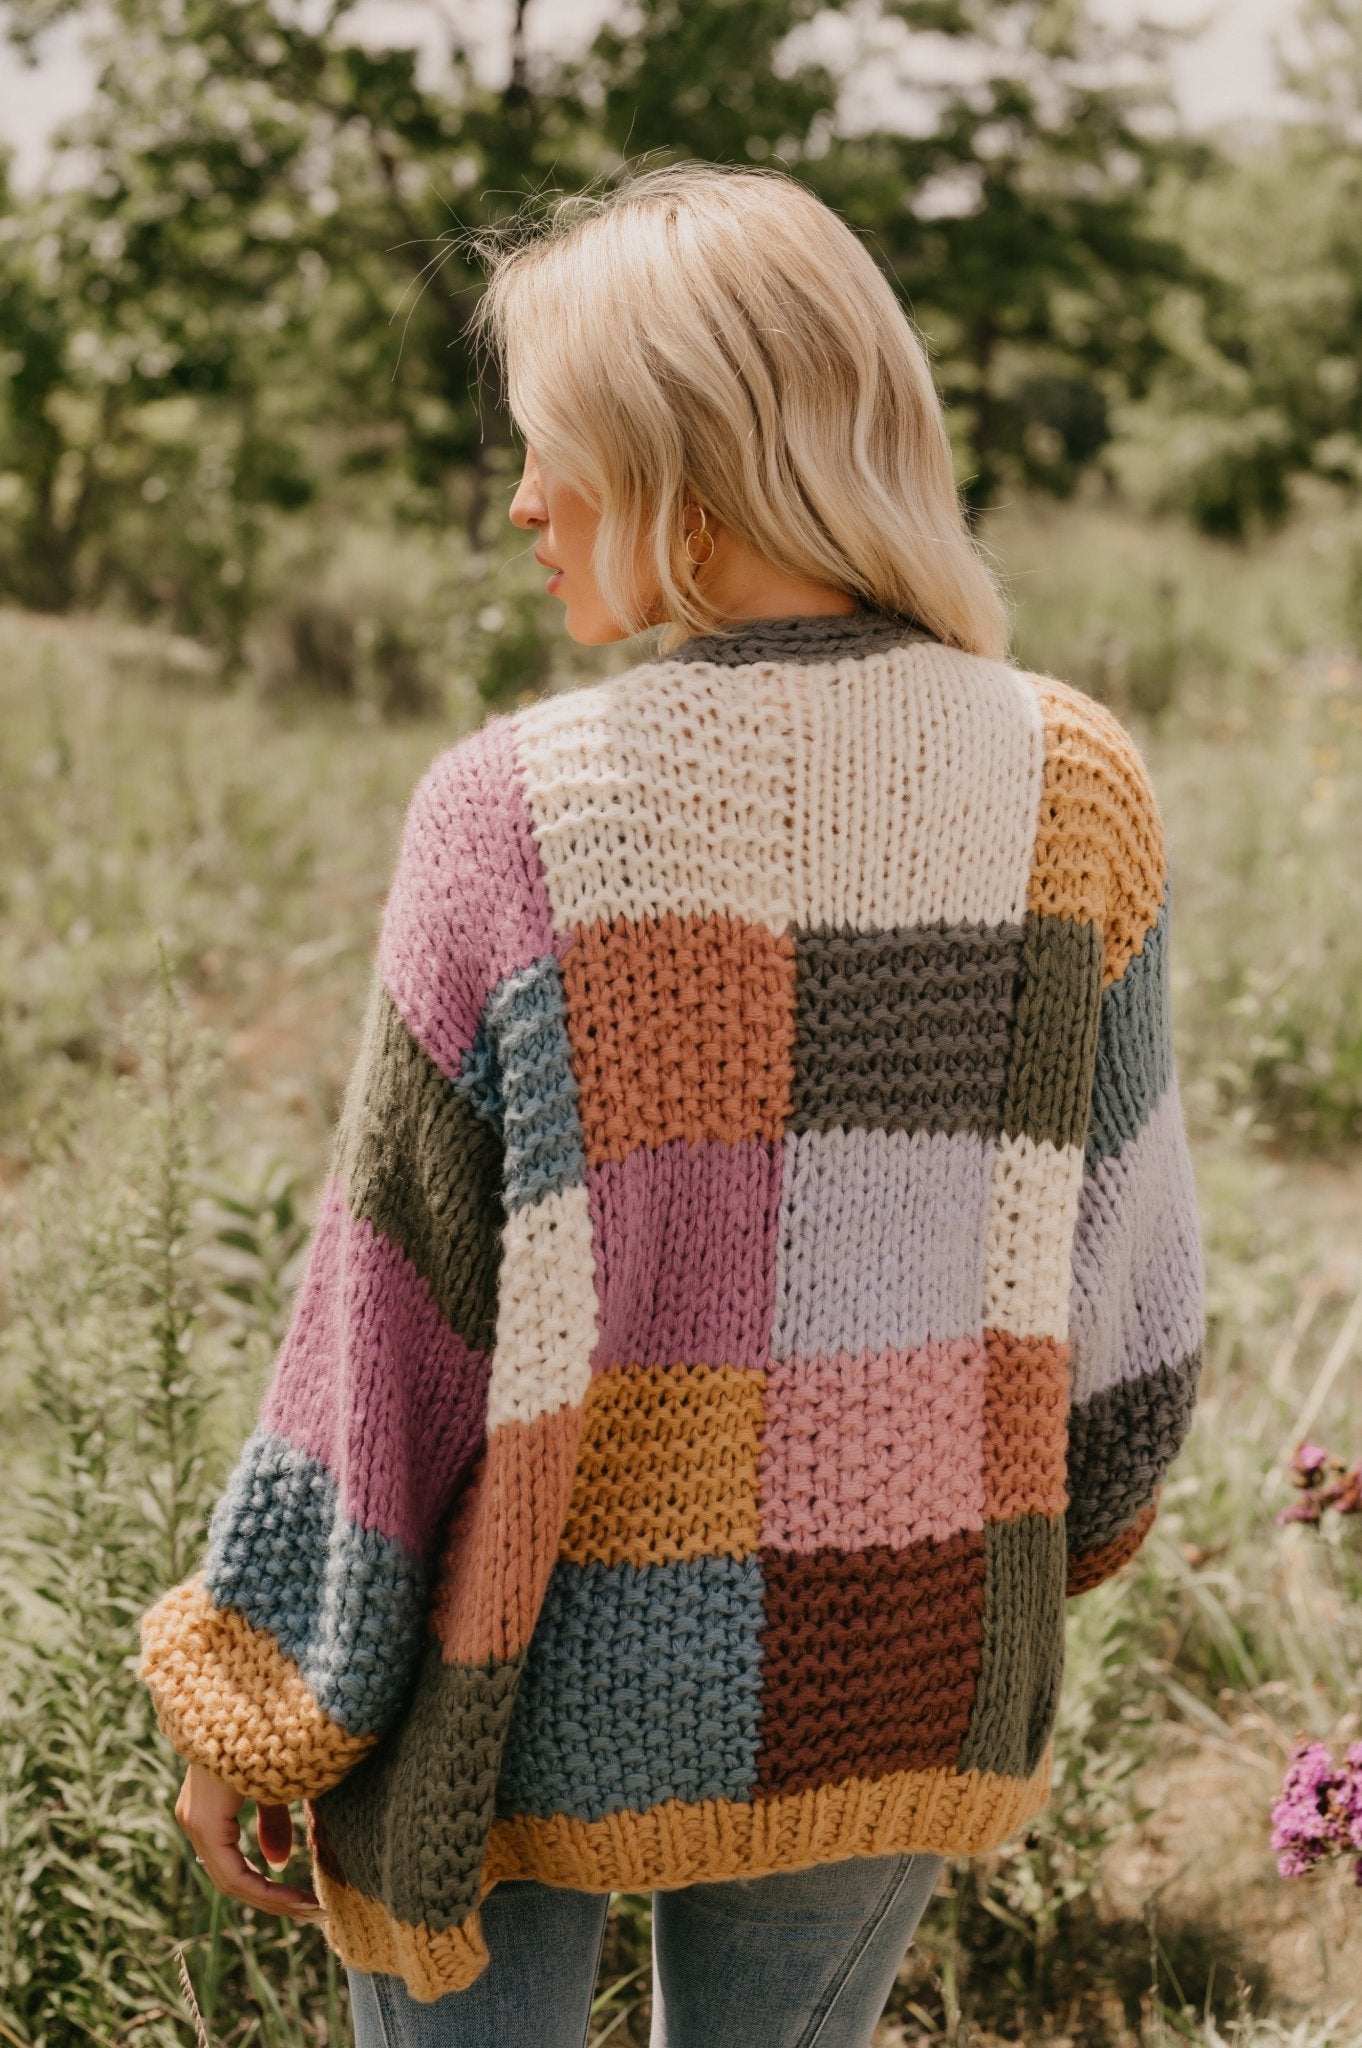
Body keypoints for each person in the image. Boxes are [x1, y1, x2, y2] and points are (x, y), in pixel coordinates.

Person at [139, 160, 1206, 2048]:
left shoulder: (518, 812)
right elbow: (1129, 1314)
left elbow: (393, 1314)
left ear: (691, 470)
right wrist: (1038, 1545)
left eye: (557, 452)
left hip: (520, 1668)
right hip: (908, 1644)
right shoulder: (1074, 786)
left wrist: (270, 1691)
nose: (527, 503)